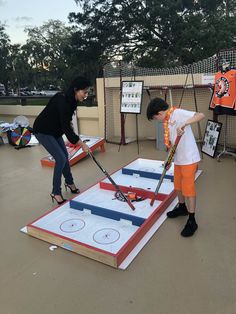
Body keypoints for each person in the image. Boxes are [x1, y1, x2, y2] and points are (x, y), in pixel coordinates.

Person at [146, 97, 205, 237]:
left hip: (189, 159)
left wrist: (184, 124)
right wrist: (168, 159)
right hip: (178, 159)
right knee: (177, 186)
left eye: (155, 118)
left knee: (188, 189)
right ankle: (182, 207)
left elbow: (200, 115)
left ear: (160, 113)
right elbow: (173, 144)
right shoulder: (167, 121)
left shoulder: (177, 113)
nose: (157, 121)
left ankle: (192, 220)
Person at [33, 76, 91, 205]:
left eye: (87, 92)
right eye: (84, 92)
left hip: (55, 130)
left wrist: (76, 137)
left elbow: (66, 122)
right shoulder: (63, 101)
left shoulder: (71, 100)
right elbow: (66, 127)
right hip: (42, 130)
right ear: (76, 90)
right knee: (60, 158)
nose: (86, 95)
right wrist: (81, 144)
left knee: (64, 156)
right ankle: (56, 192)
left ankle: (69, 182)